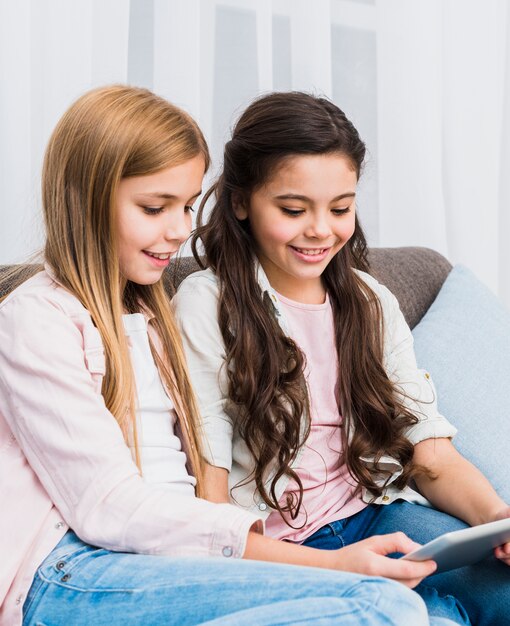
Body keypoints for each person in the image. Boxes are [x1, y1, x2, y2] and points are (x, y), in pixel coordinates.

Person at [0, 85, 442, 626]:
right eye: (153, 208)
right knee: (381, 606)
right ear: (85, 199)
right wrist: (324, 564)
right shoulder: (35, 318)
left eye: (186, 206)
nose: (179, 230)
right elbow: (106, 507)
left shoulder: (152, 313)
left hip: (163, 561)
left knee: (427, 617)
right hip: (75, 569)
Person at [173, 91, 510, 626]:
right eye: (292, 209)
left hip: (375, 513)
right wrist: (314, 565)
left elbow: (429, 453)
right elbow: (208, 486)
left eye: (340, 207)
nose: (321, 230)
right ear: (241, 203)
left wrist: (498, 521)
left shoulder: (370, 300)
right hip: (282, 545)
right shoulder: (204, 303)